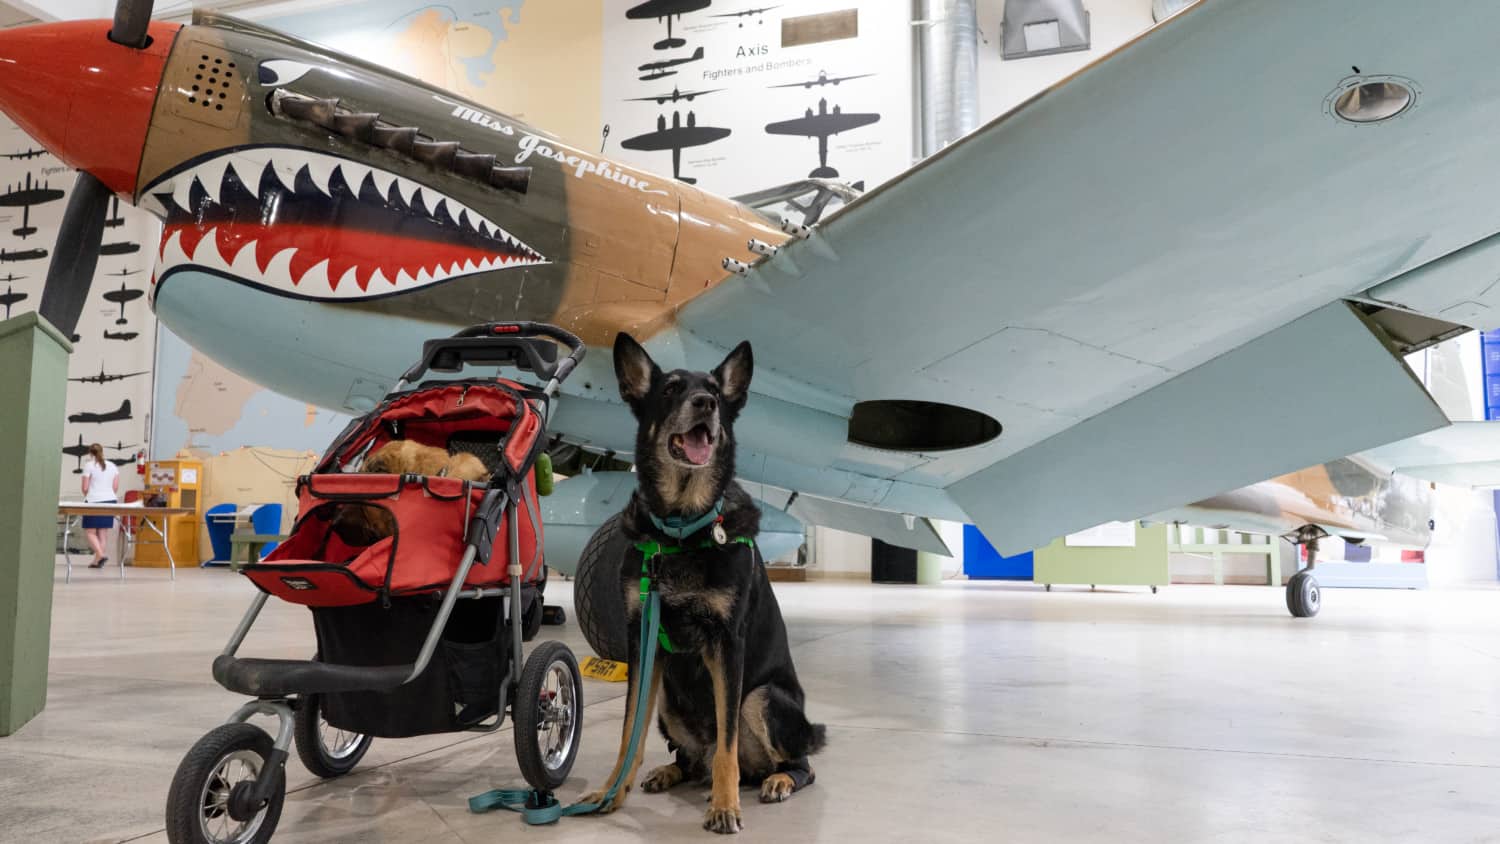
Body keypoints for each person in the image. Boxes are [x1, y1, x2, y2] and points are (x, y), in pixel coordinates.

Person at [80, 443, 120, 569]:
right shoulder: (113, 466)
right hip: (110, 501)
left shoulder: (89, 465)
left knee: (90, 532)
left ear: (90, 453)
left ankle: (101, 555)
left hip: (93, 501)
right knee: (102, 532)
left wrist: (91, 495)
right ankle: (97, 561)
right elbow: (115, 487)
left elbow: (85, 488)